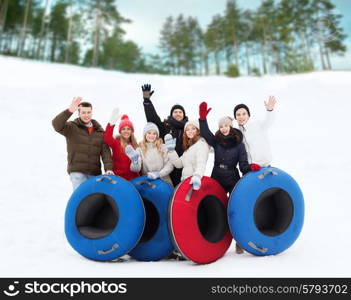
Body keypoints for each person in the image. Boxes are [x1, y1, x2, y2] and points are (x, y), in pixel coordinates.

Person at [52, 97, 113, 190]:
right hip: (77, 172)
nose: (86, 115)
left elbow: (106, 152)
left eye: (88, 112)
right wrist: (69, 110)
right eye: (83, 112)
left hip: (94, 174)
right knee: (81, 199)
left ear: (92, 113)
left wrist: (108, 169)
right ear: (79, 113)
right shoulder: (72, 128)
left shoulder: (99, 132)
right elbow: (56, 125)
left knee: (93, 201)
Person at [142, 84, 188, 186]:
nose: (178, 113)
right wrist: (147, 101)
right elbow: (152, 118)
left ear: (184, 115)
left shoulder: (188, 128)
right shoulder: (166, 126)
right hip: (167, 167)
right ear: (171, 114)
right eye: (175, 112)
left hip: (184, 167)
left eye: (180, 112)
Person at [165, 120, 210, 191]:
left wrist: (197, 176)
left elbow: (201, 163)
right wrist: (171, 151)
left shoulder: (201, 144)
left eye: (193, 128)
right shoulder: (189, 148)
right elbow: (179, 164)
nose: (190, 131)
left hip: (194, 182)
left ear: (198, 131)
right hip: (185, 182)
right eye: (187, 129)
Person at [233, 96, 277, 169]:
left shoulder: (258, 125)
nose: (241, 117)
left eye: (244, 114)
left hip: (264, 166)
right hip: (250, 169)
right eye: (238, 115)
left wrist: (270, 110)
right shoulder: (237, 133)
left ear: (248, 115)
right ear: (235, 117)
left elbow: (269, 121)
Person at [104, 108, 140, 181]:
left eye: (128, 129)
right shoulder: (116, 143)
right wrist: (111, 124)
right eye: (123, 129)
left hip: (133, 179)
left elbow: (139, 164)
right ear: (120, 131)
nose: (126, 131)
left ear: (132, 131)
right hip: (118, 179)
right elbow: (107, 138)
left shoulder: (136, 146)